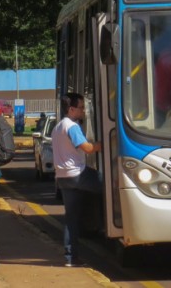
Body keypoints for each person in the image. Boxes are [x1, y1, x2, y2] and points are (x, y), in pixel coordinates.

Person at [52, 92, 101, 268]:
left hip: (62, 178)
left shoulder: (57, 127)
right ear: (71, 109)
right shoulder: (71, 126)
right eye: (80, 107)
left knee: (71, 218)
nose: (83, 111)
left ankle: (71, 258)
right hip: (77, 174)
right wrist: (105, 144)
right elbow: (87, 148)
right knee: (110, 188)